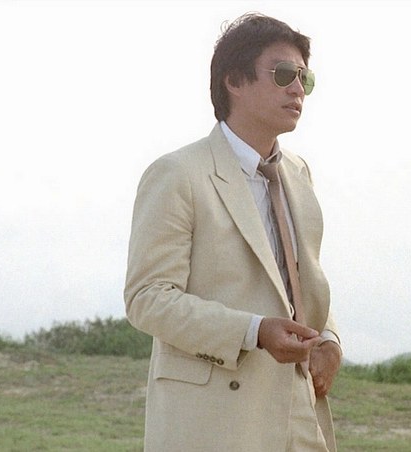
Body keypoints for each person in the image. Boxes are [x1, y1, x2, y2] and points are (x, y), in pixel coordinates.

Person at [124, 13, 342, 452]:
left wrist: (329, 341)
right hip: (214, 421)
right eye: (284, 74)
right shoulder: (178, 174)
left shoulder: (298, 173)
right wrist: (253, 331)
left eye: (305, 78)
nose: (298, 89)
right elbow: (147, 298)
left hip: (299, 412)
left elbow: (298, 282)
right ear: (234, 81)